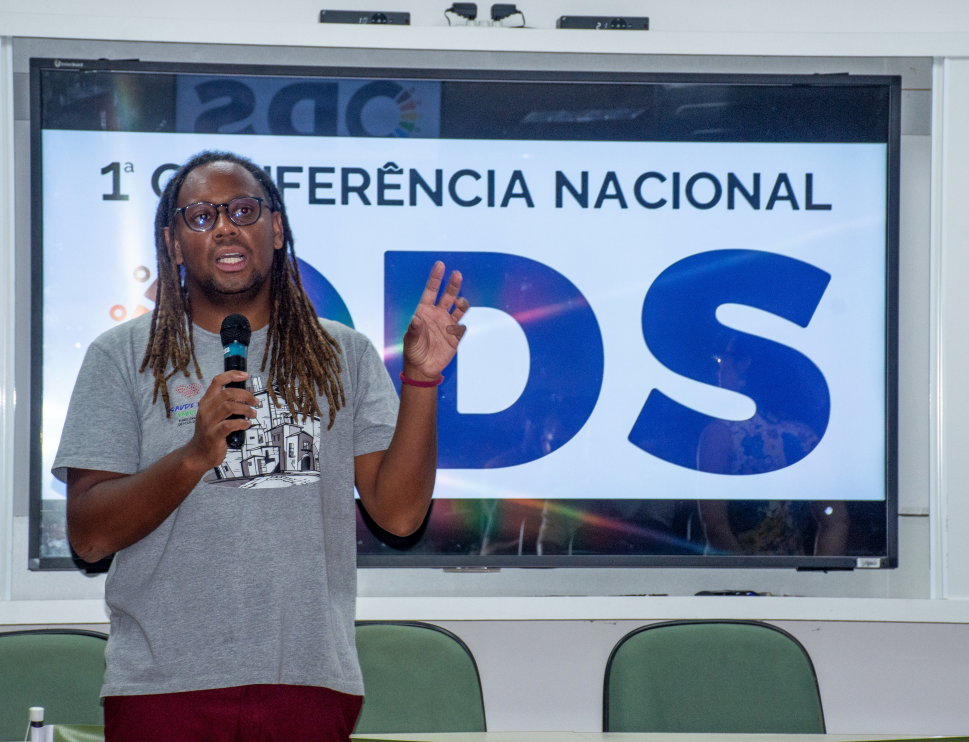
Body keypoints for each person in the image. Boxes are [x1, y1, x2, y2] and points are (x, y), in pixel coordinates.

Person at [52, 151, 469, 742]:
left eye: (243, 210)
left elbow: (399, 516)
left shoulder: (342, 354)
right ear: (173, 244)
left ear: (275, 229)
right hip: (162, 686)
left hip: (308, 682)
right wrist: (194, 456)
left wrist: (422, 381)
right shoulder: (121, 356)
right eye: (201, 216)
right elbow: (89, 535)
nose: (225, 227)